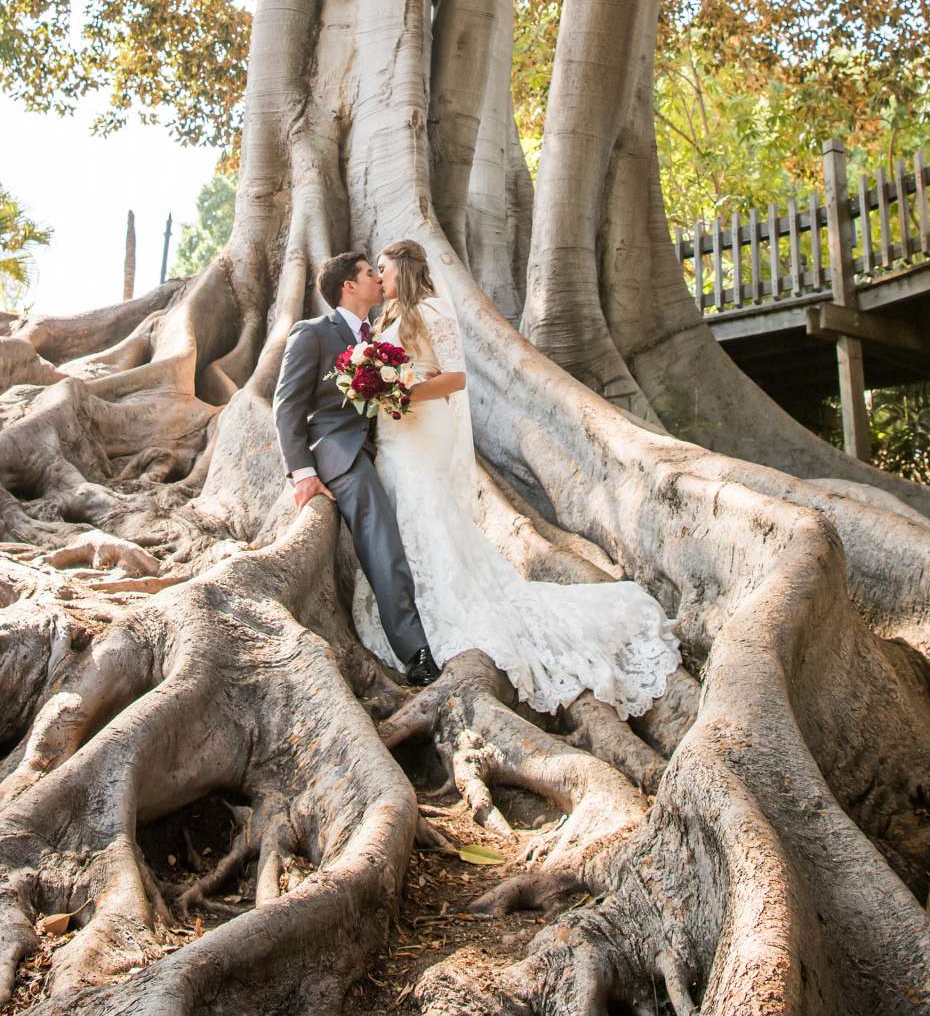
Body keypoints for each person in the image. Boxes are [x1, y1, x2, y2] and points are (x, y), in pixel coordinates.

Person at [361, 238, 680, 718]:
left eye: (382, 269)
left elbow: (455, 379)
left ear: (402, 269)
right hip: (391, 433)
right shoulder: (386, 319)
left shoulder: (433, 312)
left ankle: (436, 611)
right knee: (398, 509)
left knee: (422, 507)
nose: (378, 277)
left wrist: (403, 386)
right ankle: (402, 608)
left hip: (421, 428)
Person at [274, 247, 440, 687]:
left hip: (389, 446)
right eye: (370, 273)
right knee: (381, 538)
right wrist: (303, 473)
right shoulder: (312, 333)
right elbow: (287, 405)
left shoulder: (382, 334)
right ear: (349, 286)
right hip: (340, 452)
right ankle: (417, 653)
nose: (378, 280)